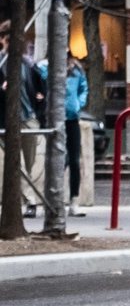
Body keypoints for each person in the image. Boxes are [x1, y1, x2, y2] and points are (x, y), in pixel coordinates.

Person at [0, 19, 45, 218]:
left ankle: (26, 199)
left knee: (28, 162)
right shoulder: (1, 64)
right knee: (15, 162)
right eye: (7, 40)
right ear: (3, 41)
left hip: (28, 118)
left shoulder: (28, 65)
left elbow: (41, 88)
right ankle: (30, 200)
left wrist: (40, 100)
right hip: (6, 121)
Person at [39, 50, 90, 216]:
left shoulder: (76, 71)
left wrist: (78, 104)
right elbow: (40, 83)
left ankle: (74, 200)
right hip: (55, 118)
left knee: (74, 159)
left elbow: (84, 89)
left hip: (72, 118)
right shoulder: (46, 69)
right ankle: (55, 198)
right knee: (57, 159)